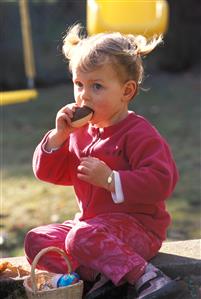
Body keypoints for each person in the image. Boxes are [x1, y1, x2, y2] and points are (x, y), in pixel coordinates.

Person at [24, 24, 183, 299]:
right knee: (37, 240)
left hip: (138, 230)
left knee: (81, 237)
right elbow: (48, 173)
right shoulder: (80, 133)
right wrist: (59, 137)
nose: (84, 95)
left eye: (96, 86)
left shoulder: (138, 133)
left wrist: (112, 180)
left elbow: (163, 181)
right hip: (91, 228)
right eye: (79, 84)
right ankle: (102, 278)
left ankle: (148, 277)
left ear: (126, 91)